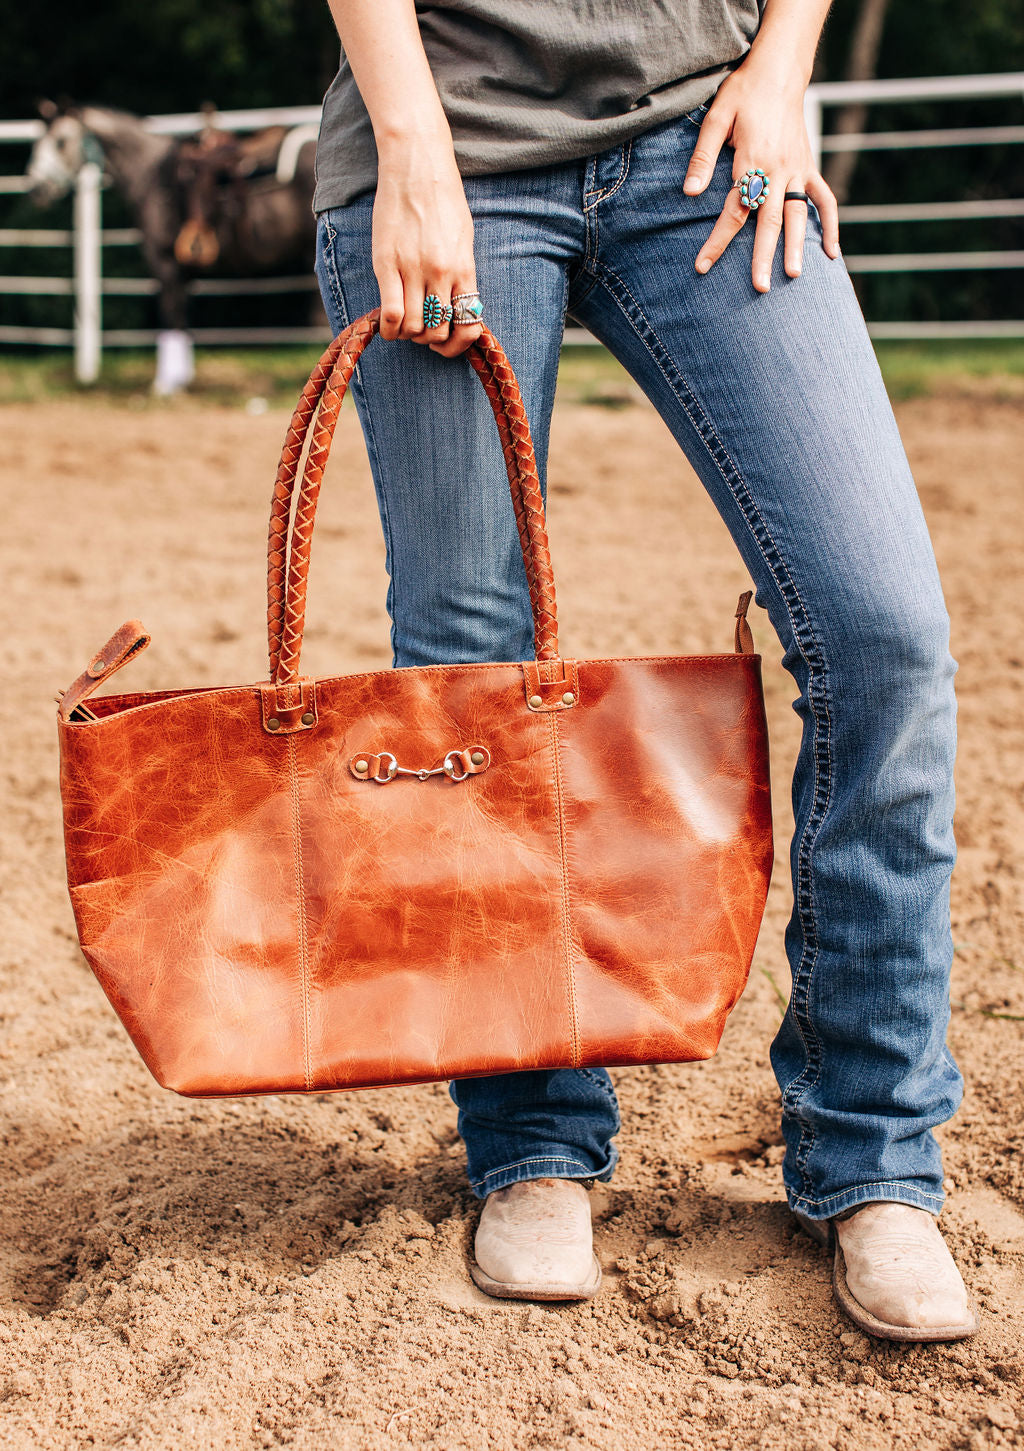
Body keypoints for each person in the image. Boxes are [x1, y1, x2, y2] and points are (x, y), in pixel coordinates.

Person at [312, 0, 977, 1341]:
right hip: (460, 145)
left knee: (882, 631)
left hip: (709, 142)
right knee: (470, 676)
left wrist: (786, 68)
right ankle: (534, 1139)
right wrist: (410, 148)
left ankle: (875, 1156)